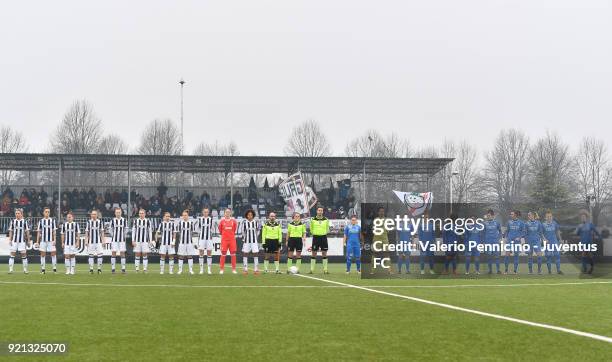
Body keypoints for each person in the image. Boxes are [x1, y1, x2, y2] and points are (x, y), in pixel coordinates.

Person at [8, 209, 30, 274]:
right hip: (14, 241)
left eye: (18, 213)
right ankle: (10, 270)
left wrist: (28, 240)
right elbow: (11, 231)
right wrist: (10, 239)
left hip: (22, 241)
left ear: (21, 214)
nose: (17, 215)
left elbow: (27, 231)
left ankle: (25, 270)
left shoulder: (24, 221)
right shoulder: (13, 221)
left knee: (24, 255)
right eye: (16, 213)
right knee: (12, 255)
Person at [309, 206, 330, 274]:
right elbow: (311, 228)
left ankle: (325, 270)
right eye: (319, 210)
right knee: (314, 253)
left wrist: (324, 233)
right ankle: (312, 270)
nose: (320, 212)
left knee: (324, 253)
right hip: (316, 237)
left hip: (323, 237)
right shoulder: (313, 219)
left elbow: (327, 229)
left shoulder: (326, 220)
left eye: (321, 210)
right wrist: (314, 233)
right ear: (317, 211)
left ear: (323, 212)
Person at [36, 207, 57, 274]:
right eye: (46, 212)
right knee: (42, 255)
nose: (47, 213)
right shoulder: (41, 221)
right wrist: (37, 241)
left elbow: (54, 231)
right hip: (43, 241)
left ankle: (54, 269)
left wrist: (54, 240)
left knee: (53, 254)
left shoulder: (52, 221)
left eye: (48, 212)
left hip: (51, 240)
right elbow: (39, 232)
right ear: (43, 213)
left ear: (49, 213)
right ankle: (43, 270)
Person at [504, 210, 525, 274]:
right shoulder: (509, 222)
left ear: (515, 215)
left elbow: (523, 232)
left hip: (517, 241)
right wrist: (506, 238)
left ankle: (515, 271)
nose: (511, 215)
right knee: (507, 254)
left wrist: (519, 237)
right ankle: (506, 270)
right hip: (509, 240)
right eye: (510, 214)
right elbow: (507, 231)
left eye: (512, 214)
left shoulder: (521, 222)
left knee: (516, 255)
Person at [132, 208, 153, 273]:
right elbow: (133, 231)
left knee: (144, 254)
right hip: (137, 241)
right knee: (137, 254)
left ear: (145, 214)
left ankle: (144, 269)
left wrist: (150, 240)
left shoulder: (148, 221)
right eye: (140, 213)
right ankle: (137, 269)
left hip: (145, 241)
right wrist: (133, 240)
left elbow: (150, 232)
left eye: (142, 213)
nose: (141, 214)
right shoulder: (136, 221)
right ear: (138, 214)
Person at [240, 209, 261, 274]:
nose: (250, 216)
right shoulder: (244, 222)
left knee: (256, 254)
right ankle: (245, 269)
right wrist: (245, 237)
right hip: (246, 241)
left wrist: (255, 237)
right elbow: (243, 232)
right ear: (247, 216)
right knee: (245, 253)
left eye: (251, 215)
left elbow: (258, 231)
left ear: (253, 215)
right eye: (248, 215)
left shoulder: (256, 222)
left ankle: (256, 269)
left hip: (254, 241)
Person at [542, 210, 563, 274]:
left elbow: (557, 232)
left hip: (554, 242)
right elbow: (541, 233)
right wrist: (544, 239)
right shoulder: (543, 224)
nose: (549, 218)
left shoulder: (555, 223)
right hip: (547, 243)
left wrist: (560, 239)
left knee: (557, 255)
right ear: (545, 218)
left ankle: (558, 270)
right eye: (547, 217)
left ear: (552, 217)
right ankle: (549, 271)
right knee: (548, 256)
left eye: (550, 216)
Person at [218, 208, 238, 274]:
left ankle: (234, 269)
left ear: (230, 213)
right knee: (223, 254)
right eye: (226, 212)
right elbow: (220, 230)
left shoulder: (234, 221)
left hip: (232, 240)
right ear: (224, 213)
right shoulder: (221, 221)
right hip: (224, 240)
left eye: (228, 212)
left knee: (233, 255)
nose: (227, 213)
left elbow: (234, 229)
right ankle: (221, 269)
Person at [177, 210, 197, 275]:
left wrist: (194, 242)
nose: (184, 216)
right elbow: (178, 233)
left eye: (186, 215)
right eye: (183, 215)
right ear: (182, 216)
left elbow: (193, 233)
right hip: (182, 242)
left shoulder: (191, 223)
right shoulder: (180, 223)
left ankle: (191, 270)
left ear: (188, 216)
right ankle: (180, 270)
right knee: (181, 256)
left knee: (190, 256)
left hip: (189, 242)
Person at [85, 209, 105, 274]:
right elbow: (87, 233)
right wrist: (86, 241)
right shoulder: (88, 222)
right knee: (91, 255)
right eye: (92, 214)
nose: (94, 215)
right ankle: (91, 269)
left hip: (98, 242)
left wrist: (103, 241)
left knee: (100, 255)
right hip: (91, 242)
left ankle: (99, 269)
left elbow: (102, 232)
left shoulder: (100, 222)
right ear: (91, 215)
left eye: (95, 214)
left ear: (97, 215)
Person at [483, 209, 502, 274]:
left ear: (492, 215)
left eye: (489, 215)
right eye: (487, 215)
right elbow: (483, 232)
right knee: (489, 256)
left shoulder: (497, 222)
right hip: (488, 242)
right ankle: (490, 270)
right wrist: (483, 242)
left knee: (496, 256)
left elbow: (500, 231)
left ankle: (498, 270)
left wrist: (500, 238)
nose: (488, 216)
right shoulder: (484, 223)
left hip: (495, 242)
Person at [109, 207, 128, 274]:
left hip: (122, 240)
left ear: (121, 213)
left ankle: (123, 269)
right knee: (113, 253)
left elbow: (126, 229)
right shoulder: (112, 220)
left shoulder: (124, 220)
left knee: (122, 253)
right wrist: (113, 235)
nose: (118, 213)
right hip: (114, 240)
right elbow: (110, 229)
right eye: (117, 212)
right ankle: (113, 269)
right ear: (115, 213)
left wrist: (123, 236)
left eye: (119, 212)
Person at [197, 207, 215, 275]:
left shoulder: (210, 220)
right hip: (201, 238)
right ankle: (201, 269)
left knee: (209, 253)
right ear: (202, 212)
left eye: (207, 212)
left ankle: (209, 269)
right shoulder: (200, 219)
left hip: (209, 239)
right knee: (201, 252)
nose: (205, 213)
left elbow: (213, 229)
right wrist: (201, 234)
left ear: (208, 212)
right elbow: (198, 229)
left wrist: (210, 235)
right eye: (204, 212)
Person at [417, 210, 436, 275]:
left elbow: (433, 234)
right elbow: (419, 235)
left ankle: (431, 270)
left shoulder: (431, 225)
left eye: (427, 217)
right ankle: (422, 270)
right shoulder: (420, 225)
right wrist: (422, 242)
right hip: (423, 244)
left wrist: (434, 242)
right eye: (425, 217)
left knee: (431, 257)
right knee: (422, 257)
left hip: (430, 244)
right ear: (423, 217)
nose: (426, 218)